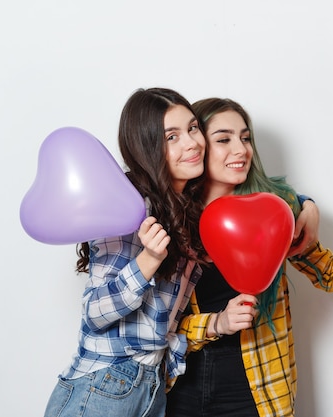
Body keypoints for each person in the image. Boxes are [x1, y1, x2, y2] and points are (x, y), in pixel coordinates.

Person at [165, 98, 333, 417]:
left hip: (256, 387)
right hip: (181, 387)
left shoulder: (275, 209)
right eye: (223, 139)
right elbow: (159, 326)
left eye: (245, 138)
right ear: (199, 145)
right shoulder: (173, 218)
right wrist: (215, 324)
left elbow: (331, 273)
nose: (241, 149)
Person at [43, 87, 209, 417]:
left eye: (192, 128)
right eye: (171, 137)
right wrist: (148, 260)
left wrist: (305, 205)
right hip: (106, 384)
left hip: (149, 387)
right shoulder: (128, 208)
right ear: (148, 148)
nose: (191, 143)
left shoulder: (184, 209)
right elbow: (94, 312)